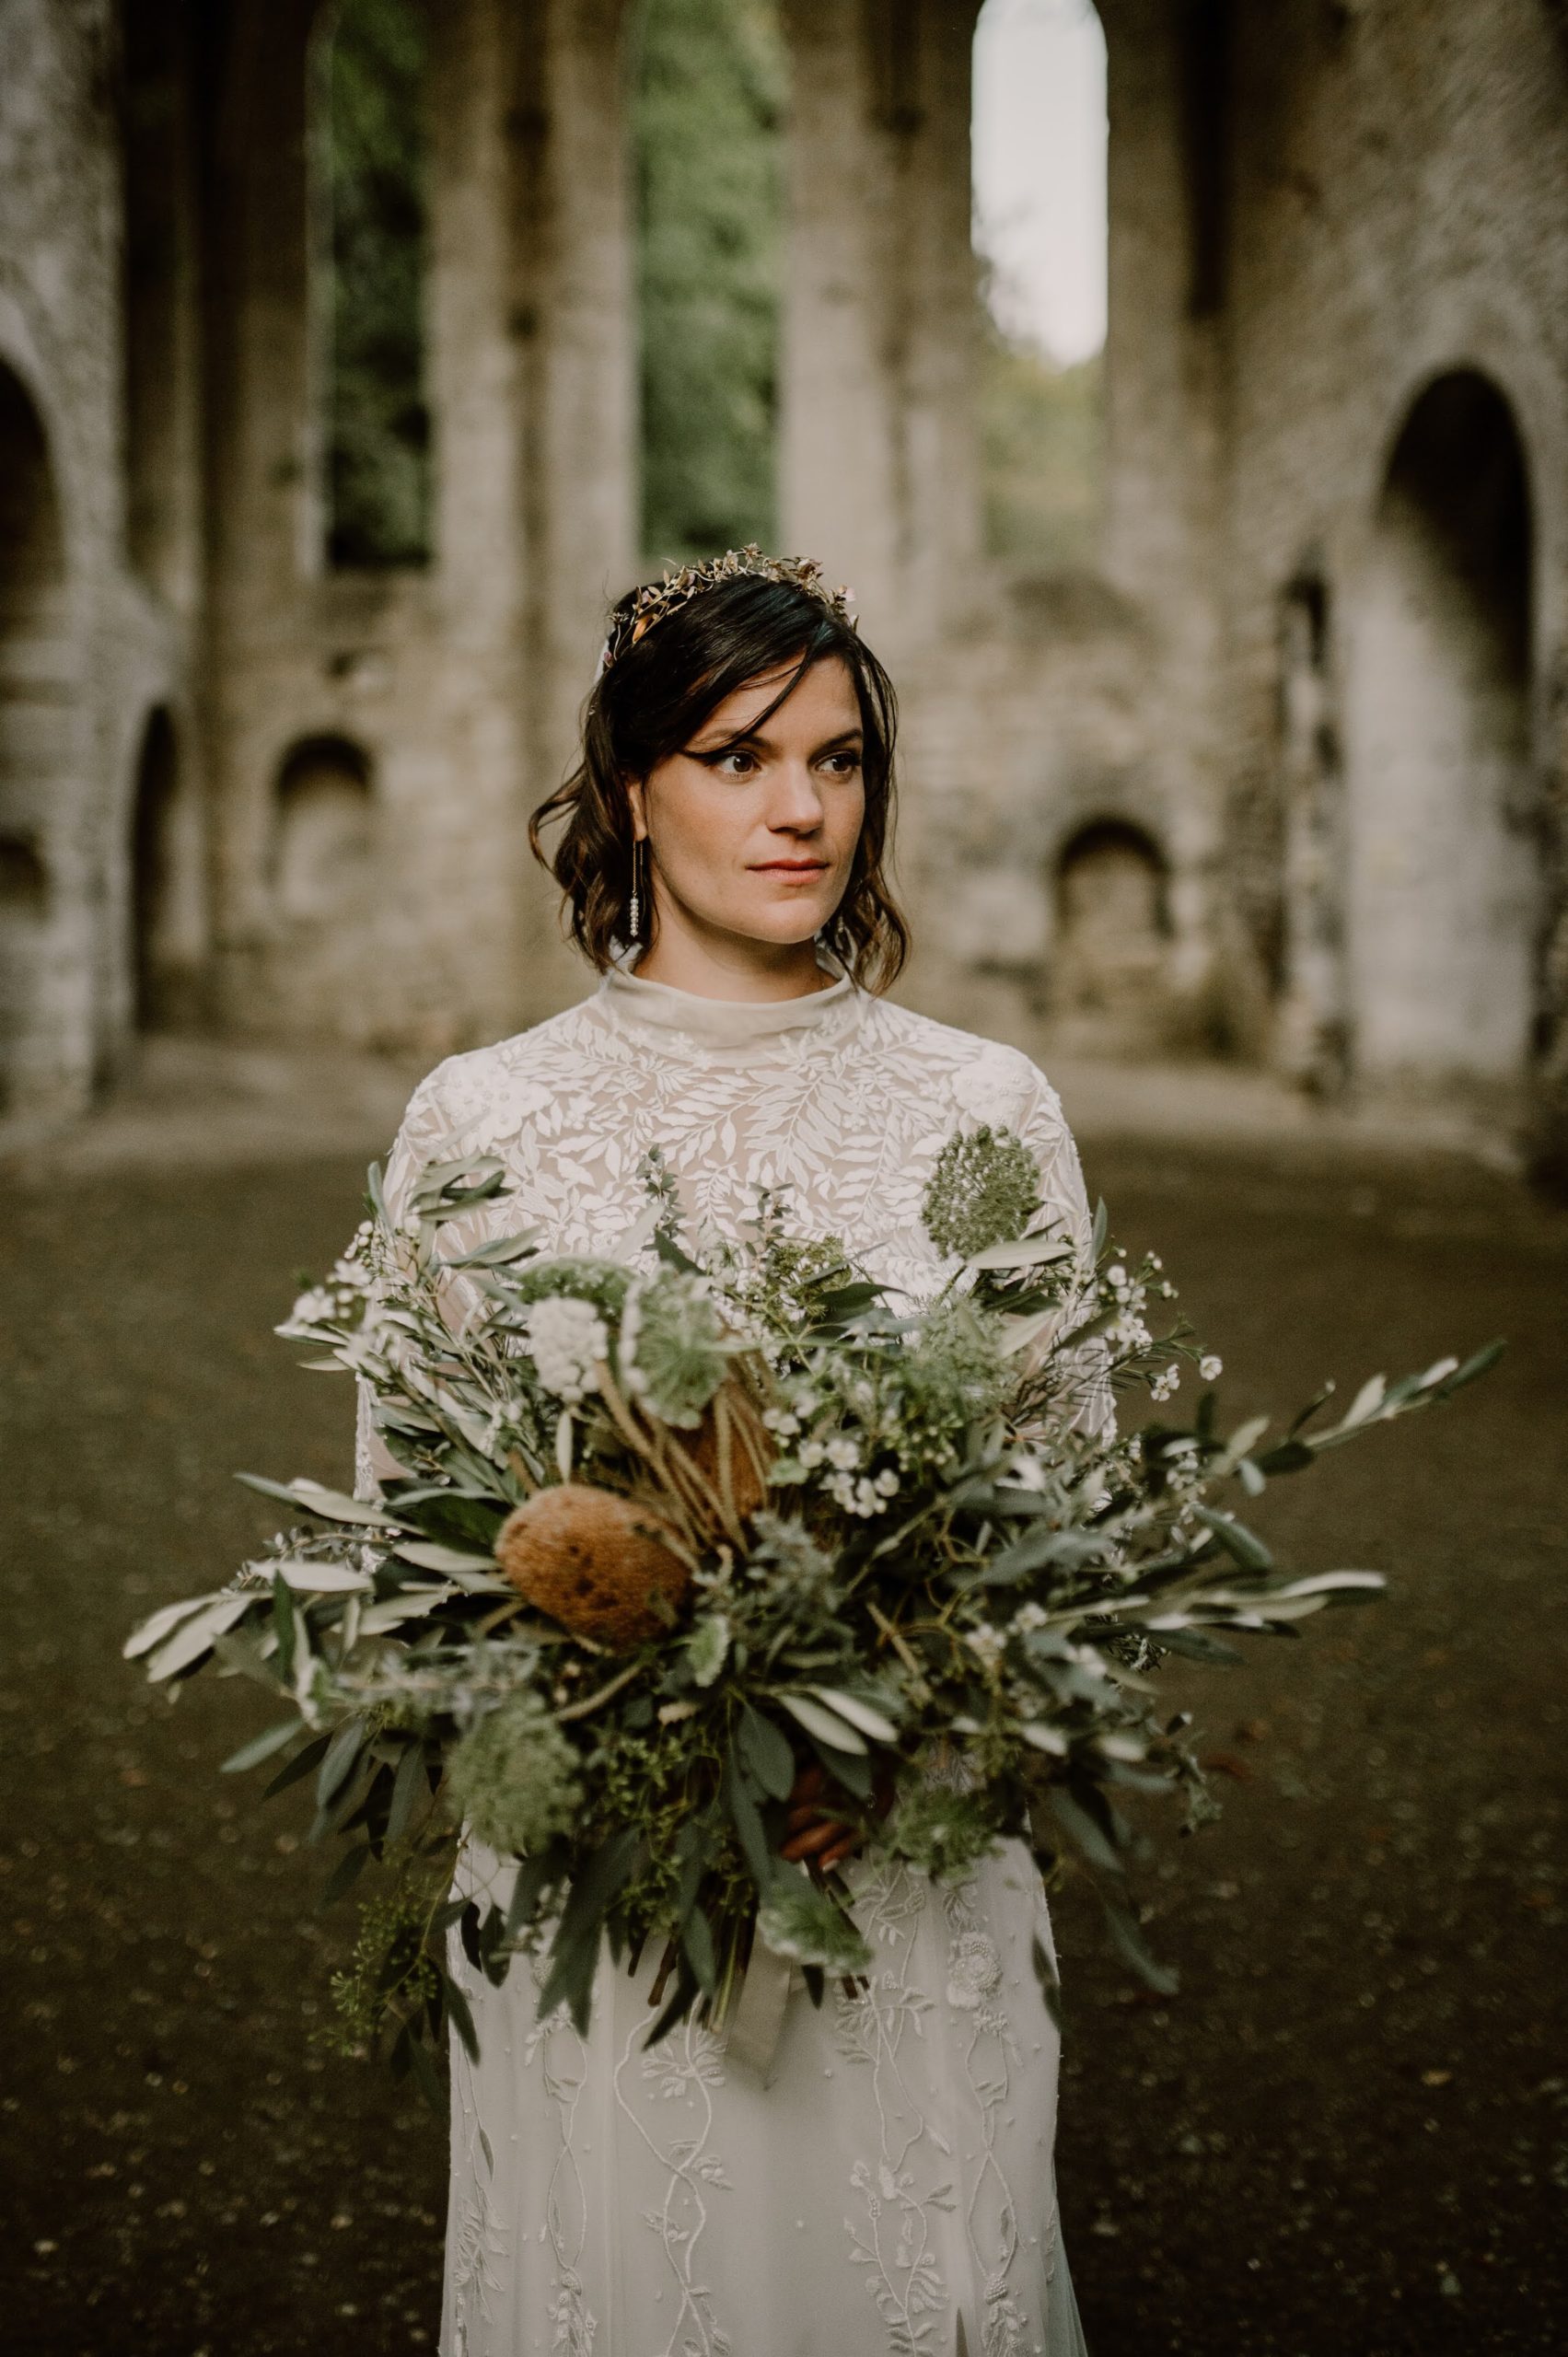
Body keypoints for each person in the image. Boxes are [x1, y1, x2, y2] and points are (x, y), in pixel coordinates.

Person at [362, 549, 1098, 2357]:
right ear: (632, 784)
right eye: (740, 755)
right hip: (611, 1892)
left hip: (904, 1871)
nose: (802, 807)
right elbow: (412, 1550)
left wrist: (915, 1721)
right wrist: (649, 1740)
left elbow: (1069, 1524)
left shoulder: (989, 1108)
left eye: (840, 761)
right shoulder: (481, 1122)